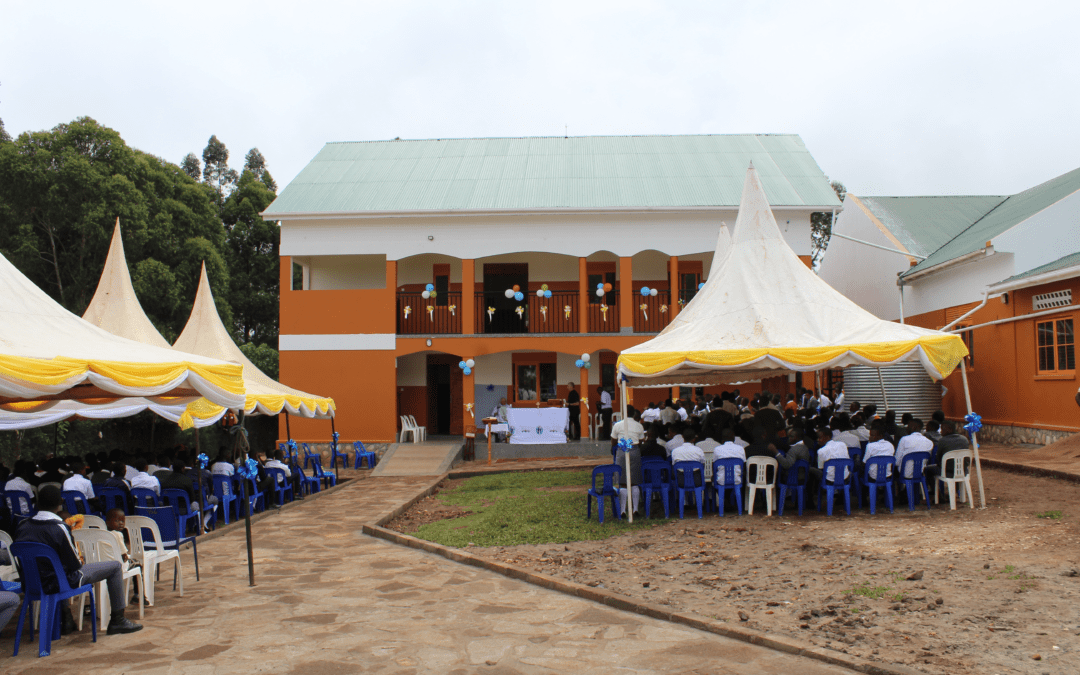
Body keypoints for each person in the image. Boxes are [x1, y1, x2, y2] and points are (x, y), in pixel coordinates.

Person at [15, 486, 143, 635]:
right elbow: (75, 564)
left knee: (55, 569)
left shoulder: (22, 526)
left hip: (31, 583)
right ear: (59, 504)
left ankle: (66, 618)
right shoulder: (59, 527)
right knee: (114, 567)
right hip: (59, 583)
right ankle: (118, 620)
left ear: (38, 503)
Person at [614, 436, 642, 515]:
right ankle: (635, 509)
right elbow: (641, 440)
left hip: (621, 451)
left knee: (623, 483)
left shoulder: (617, 425)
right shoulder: (638, 426)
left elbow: (613, 440)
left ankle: (622, 510)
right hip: (635, 452)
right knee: (634, 482)